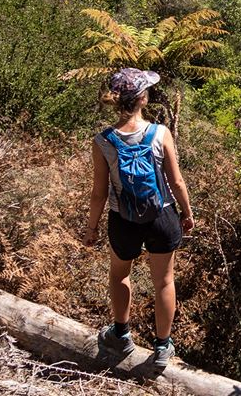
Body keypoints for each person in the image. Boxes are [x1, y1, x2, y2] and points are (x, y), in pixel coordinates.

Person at [83, 68, 195, 368]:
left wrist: (92, 228)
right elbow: (177, 182)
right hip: (162, 216)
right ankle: (162, 347)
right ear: (143, 99)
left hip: (123, 220)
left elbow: (99, 193)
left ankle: (121, 335)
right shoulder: (160, 133)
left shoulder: (103, 141)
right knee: (164, 281)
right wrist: (187, 212)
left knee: (120, 274)